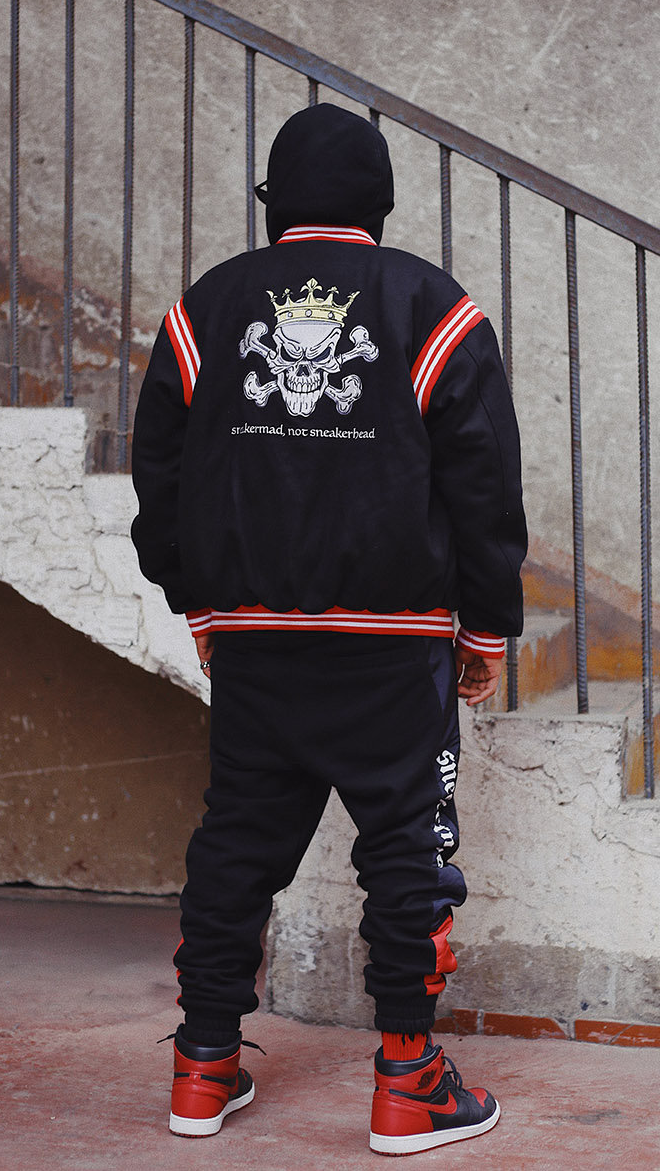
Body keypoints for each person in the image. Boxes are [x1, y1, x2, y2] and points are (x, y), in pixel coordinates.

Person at [130, 102, 526, 1156]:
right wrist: (487, 626)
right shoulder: (433, 306)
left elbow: (158, 471)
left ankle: (201, 1069)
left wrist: (196, 599)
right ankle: (408, 1084)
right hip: (394, 646)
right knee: (406, 852)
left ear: (275, 204)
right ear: (379, 205)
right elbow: (485, 481)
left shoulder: (206, 307)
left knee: (235, 848)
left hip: (254, 641)